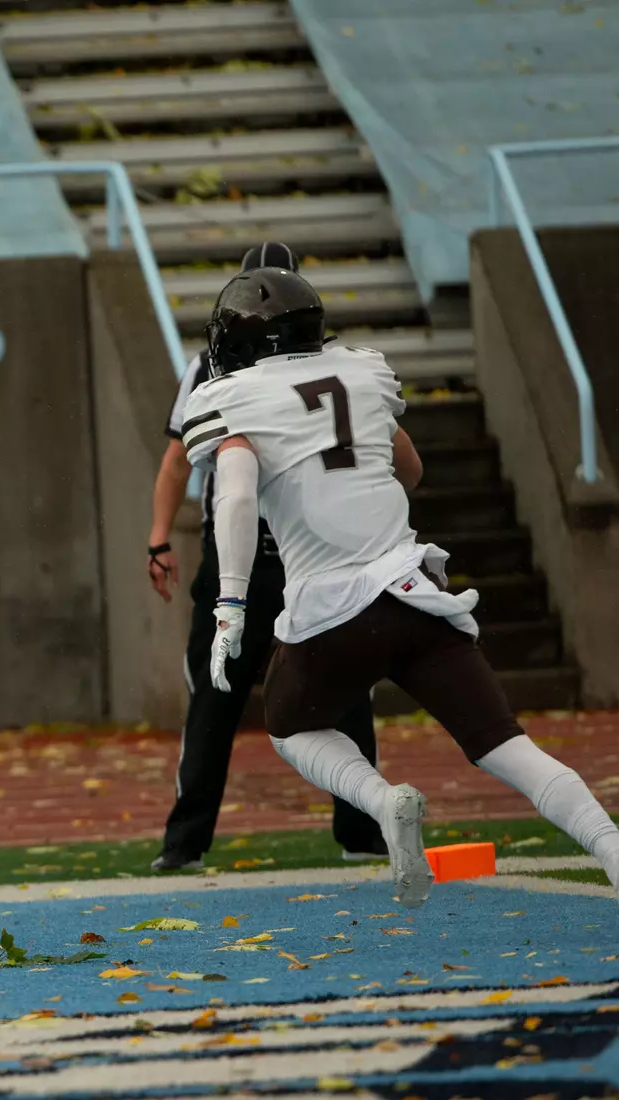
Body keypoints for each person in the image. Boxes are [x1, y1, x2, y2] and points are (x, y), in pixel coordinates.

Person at [181, 265, 619, 907]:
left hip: (332, 610)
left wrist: (230, 601)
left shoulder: (234, 399)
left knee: (290, 726)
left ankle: (384, 803)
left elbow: (238, 497)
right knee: (504, 743)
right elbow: (408, 468)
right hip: (415, 593)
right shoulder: (362, 373)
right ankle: (610, 846)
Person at [147, 243, 387, 871]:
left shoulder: (324, 367)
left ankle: (362, 828)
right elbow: (401, 461)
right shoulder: (330, 367)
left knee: (340, 691)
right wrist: (158, 535)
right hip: (300, 555)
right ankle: (186, 838)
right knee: (218, 697)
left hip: (302, 557)